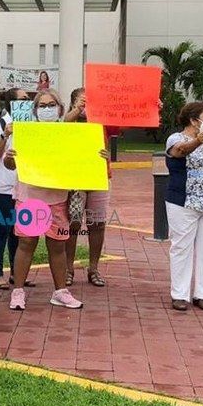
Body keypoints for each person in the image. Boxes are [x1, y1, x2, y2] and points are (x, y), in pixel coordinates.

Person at [5, 89, 107, 311]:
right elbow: (10, 164)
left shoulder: (68, 134)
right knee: (27, 244)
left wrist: (100, 159)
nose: (47, 109)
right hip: (30, 197)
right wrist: (8, 158)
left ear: (60, 109)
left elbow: (83, 161)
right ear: (35, 110)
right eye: (42, 105)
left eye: (51, 105)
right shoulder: (24, 133)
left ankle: (60, 291)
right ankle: (18, 292)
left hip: (58, 199)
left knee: (58, 246)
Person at [165, 102, 203, 311]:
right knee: (182, 247)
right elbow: (179, 151)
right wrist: (198, 141)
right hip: (184, 201)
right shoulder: (176, 139)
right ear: (193, 120)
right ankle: (179, 294)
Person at [62, 87, 120, 288]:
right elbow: (62, 126)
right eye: (82, 101)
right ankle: (68, 269)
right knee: (73, 223)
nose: (87, 104)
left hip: (99, 178)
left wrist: (150, 108)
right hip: (75, 179)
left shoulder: (102, 121)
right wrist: (77, 111)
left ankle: (93, 268)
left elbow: (127, 120)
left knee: (98, 223)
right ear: (73, 103)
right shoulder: (69, 120)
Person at [0, 88, 31, 289]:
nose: (27, 102)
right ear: (12, 104)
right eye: (23, 99)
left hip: (23, 186)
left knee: (18, 231)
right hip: (1, 188)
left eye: (29, 99)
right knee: (2, 228)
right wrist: (5, 135)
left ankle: (16, 272)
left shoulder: (32, 124)